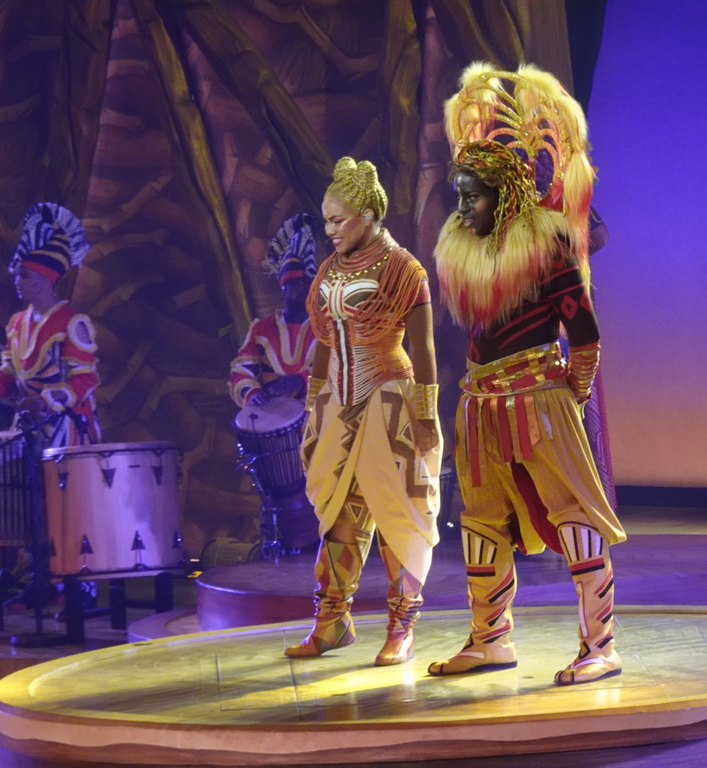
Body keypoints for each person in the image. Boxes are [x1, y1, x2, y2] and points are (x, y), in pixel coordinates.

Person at [427, 64, 626, 686]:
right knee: (481, 522)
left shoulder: (549, 246)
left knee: (572, 516)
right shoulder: (467, 251)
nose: (463, 208)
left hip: (538, 403)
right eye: (459, 195)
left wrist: (574, 393)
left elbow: (585, 333)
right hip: (479, 406)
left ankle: (601, 646)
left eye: (473, 196)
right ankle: (491, 639)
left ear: (505, 194)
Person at [286, 157, 441, 666]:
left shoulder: (404, 269)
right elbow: (325, 343)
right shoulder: (330, 270)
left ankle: (401, 627)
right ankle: (332, 622)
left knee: (398, 516)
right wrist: (313, 404)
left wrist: (426, 414)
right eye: (326, 221)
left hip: (389, 398)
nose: (329, 230)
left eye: (339, 220)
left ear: (371, 214)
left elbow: (424, 349)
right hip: (338, 402)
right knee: (338, 514)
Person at [0, 202, 100, 448]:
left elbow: (85, 381)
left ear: (44, 281)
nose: (17, 280)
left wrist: (44, 401)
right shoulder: (17, 322)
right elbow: (10, 374)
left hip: (66, 427)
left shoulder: (71, 323)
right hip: (30, 425)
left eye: (24, 275)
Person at [229, 213, 319, 409]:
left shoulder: (330, 327)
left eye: (306, 284)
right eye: (295, 285)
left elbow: (347, 371)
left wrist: (301, 380)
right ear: (284, 288)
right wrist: (252, 393)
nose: (301, 290)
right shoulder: (261, 329)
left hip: (322, 423)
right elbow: (241, 372)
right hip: (273, 419)